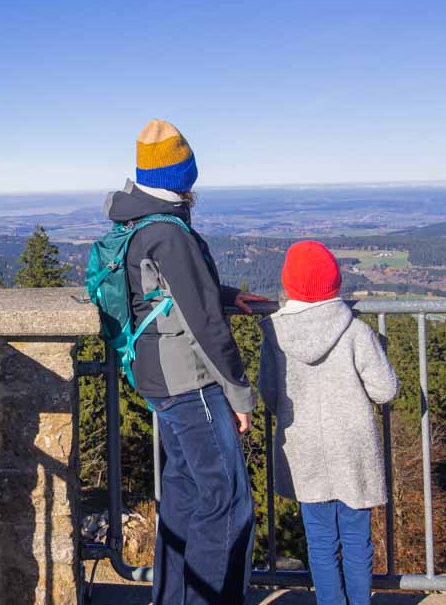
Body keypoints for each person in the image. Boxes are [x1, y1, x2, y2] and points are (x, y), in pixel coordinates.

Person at [104, 119, 268, 605]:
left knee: (183, 493)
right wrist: (240, 394)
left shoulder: (136, 222)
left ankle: (170, 598)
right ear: (184, 175)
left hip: (156, 377)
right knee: (227, 503)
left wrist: (227, 294)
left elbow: (172, 292)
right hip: (189, 381)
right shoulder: (170, 233)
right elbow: (206, 327)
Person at [258, 241, 399, 605]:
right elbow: (384, 390)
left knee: (320, 542)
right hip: (352, 447)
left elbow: (270, 395)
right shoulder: (356, 332)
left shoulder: (274, 333)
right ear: (335, 283)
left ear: (289, 284)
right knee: (356, 539)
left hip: (304, 448)